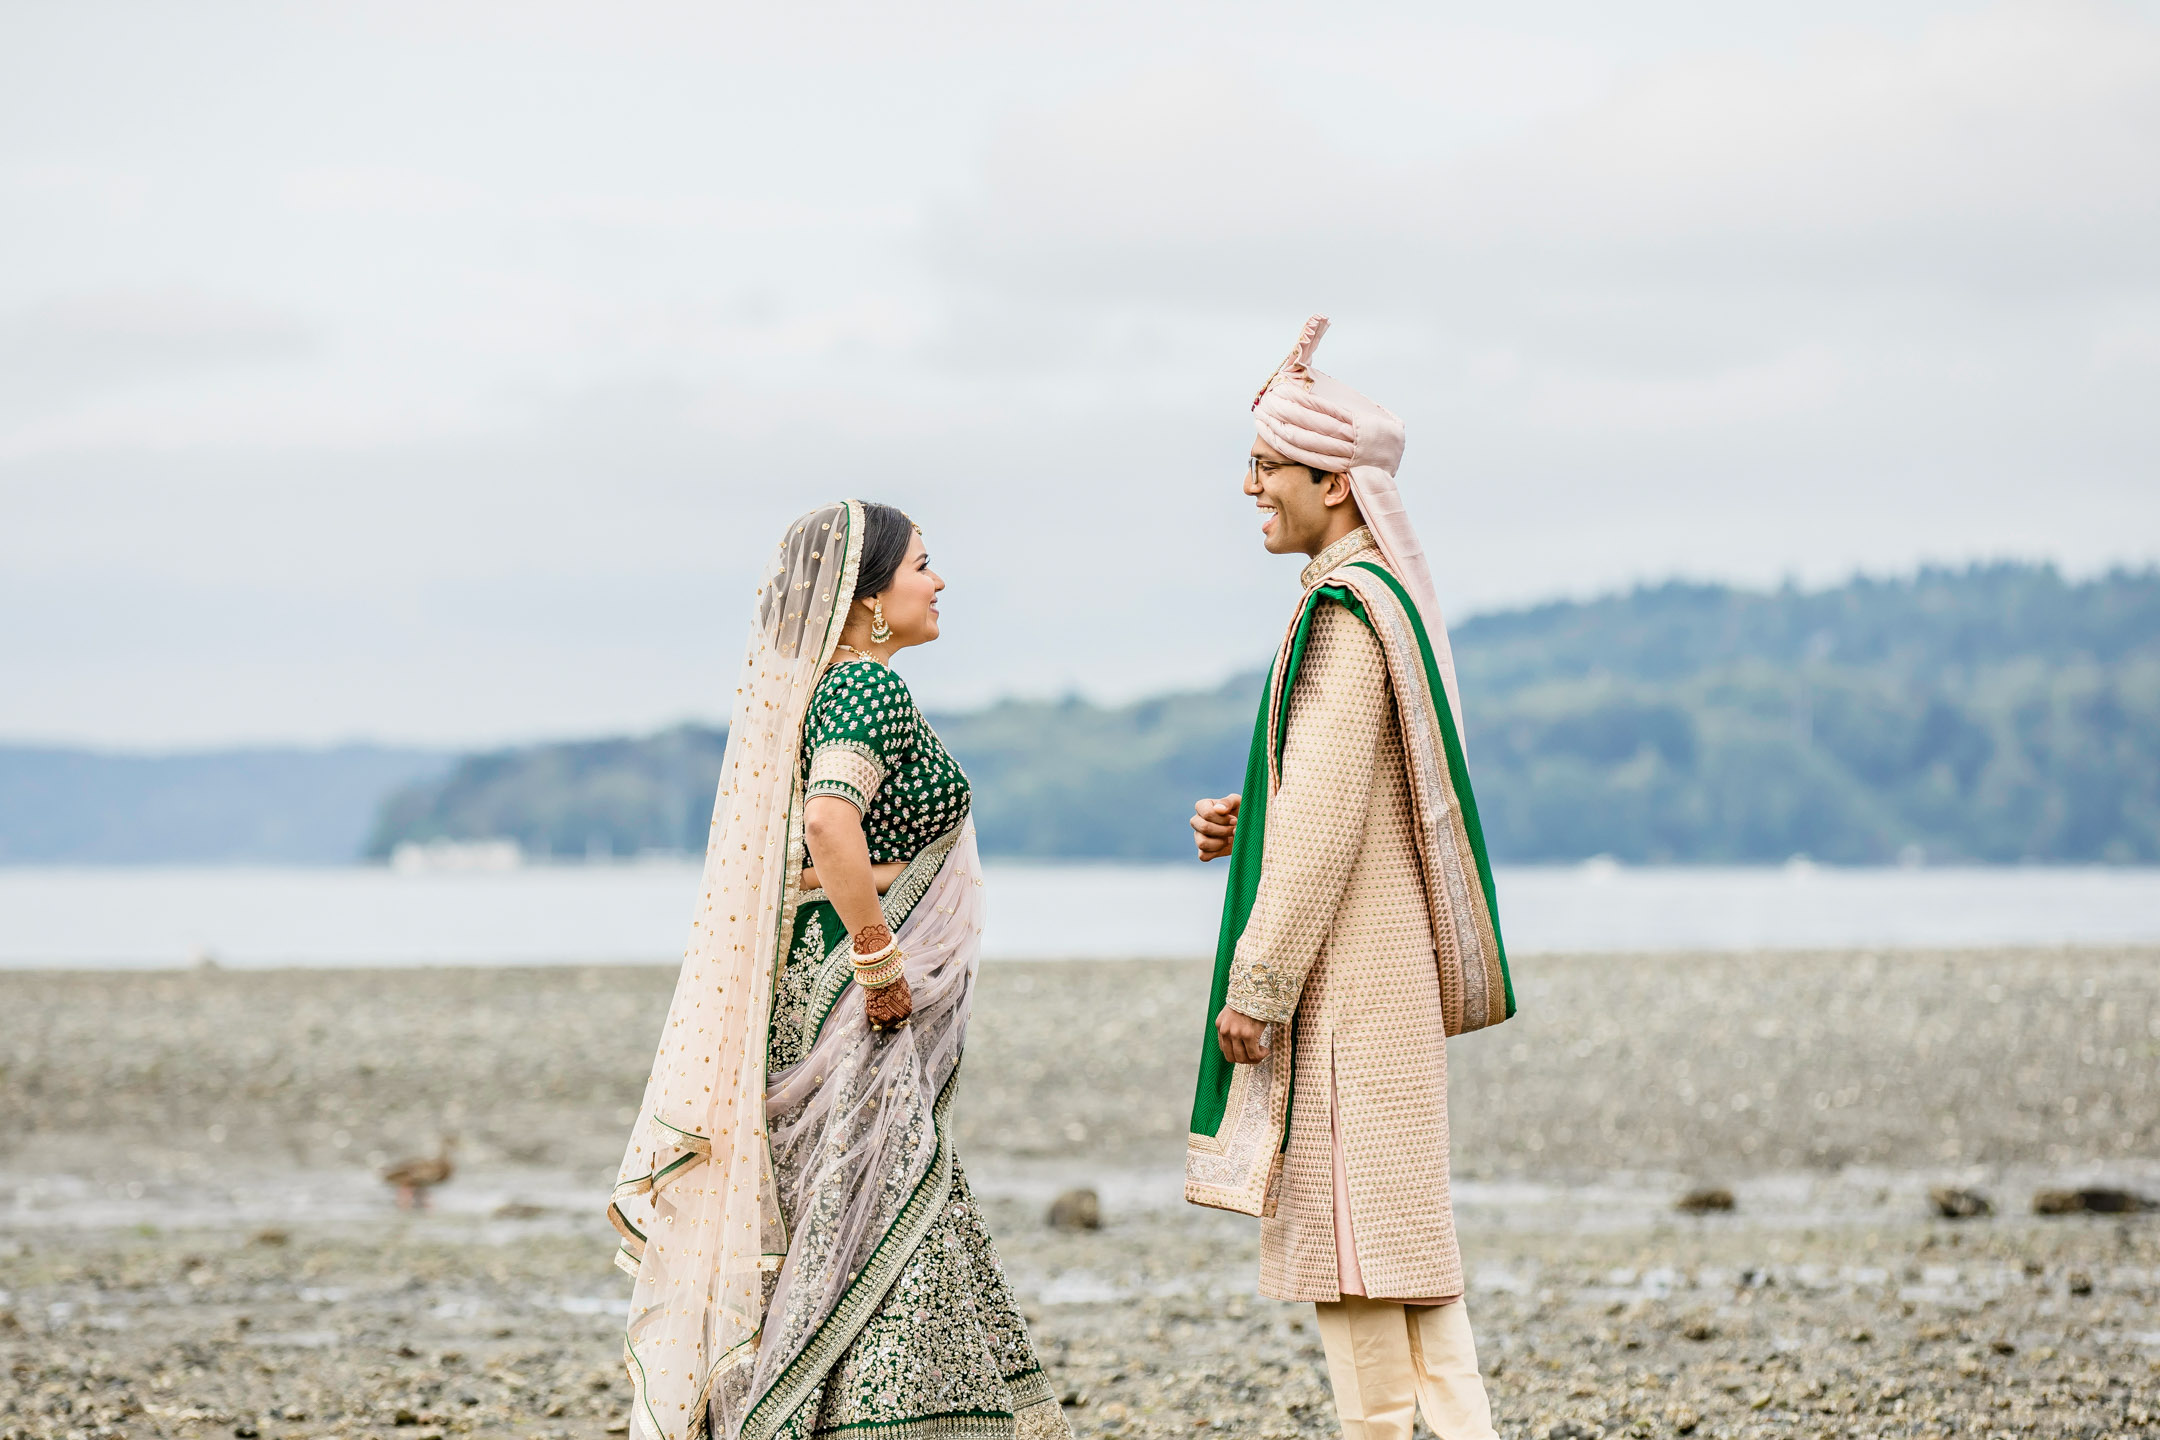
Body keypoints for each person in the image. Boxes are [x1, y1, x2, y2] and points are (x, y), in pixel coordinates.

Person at [609, 501, 1070, 1440]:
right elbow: (827, 820)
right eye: (924, 566)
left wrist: (877, 886)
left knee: (848, 1201)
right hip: (852, 1002)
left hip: (832, 990)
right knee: (871, 1201)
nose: (939, 583)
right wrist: (877, 951)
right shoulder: (865, 689)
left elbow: (812, 852)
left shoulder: (830, 694)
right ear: (868, 600)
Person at [1184, 317, 1516, 1440]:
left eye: (1267, 467)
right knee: (1416, 1281)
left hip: (1346, 1004)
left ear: (1333, 481)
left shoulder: (1341, 611)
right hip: (1391, 990)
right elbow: (1340, 800)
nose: (1249, 488)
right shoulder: (1386, 597)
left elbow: (1324, 825)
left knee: (1362, 1272)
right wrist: (1253, 818)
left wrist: (1258, 983)